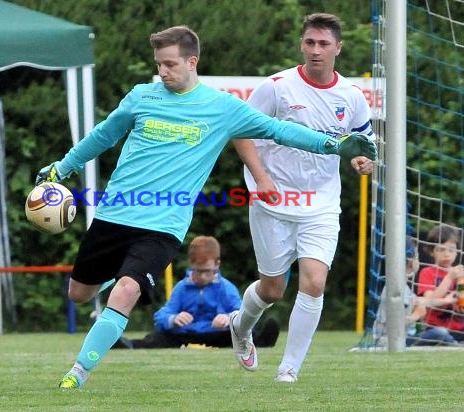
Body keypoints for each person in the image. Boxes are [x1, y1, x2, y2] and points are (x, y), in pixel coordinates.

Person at [35, 25, 376, 390]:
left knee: (128, 290)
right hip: (114, 215)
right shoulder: (141, 97)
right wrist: (63, 167)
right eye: (159, 65)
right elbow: (102, 136)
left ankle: (77, 373)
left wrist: (333, 145)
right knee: (79, 293)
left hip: (163, 226)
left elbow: (279, 130)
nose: (163, 72)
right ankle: (108, 277)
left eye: (170, 64)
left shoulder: (222, 107)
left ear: (191, 61)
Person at [230, 13, 376, 383]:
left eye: (324, 43)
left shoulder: (352, 97)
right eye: (310, 42)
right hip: (273, 202)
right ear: (301, 44)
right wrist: (260, 178)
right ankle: (240, 327)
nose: (316, 50)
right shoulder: (277, 87)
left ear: (338, 48)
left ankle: (288, 369)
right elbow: (239, 131)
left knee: (313, 281)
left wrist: (363, 161)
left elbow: (364, 145)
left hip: (322, 204)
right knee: (272, 289)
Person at [114, 236, 279, 349]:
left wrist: (229, 318)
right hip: (186, 333)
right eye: (197, 271)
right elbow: (162, 316)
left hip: (218, 334)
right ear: (190, 264)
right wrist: (173, 319)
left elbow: (243, 313)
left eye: (207, 271)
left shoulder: (226, 287)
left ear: (217, 264)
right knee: (157, 338)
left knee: (243, 335)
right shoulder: (181, 287)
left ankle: (263, 340)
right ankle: (128, 345)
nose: (202, 276)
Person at [372, 236, 458, 347]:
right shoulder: (395, 290)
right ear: (411, 261)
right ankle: (455, 345)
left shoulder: (402, 287)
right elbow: (393, 325)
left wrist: (447, 300)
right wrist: (416, 316)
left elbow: (421, 301)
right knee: (439, 333)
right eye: (417, 257)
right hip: (389, 341)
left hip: (404, 338)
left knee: (437, 333)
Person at [416, 224, 464, 342]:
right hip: (435, 328)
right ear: (432, 252)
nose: (447, 254)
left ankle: (455, 344)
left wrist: (460, 296)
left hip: (459, 329)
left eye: (451, 250)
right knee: (440, 333)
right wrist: (449, 277)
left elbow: (462, 306)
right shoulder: (427, 272)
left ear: (457, 252)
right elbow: (431, 300)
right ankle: (454, 345)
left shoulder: (460, 274)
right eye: (441, 249)